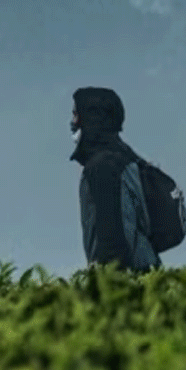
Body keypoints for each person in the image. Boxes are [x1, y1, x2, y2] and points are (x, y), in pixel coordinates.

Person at [70, 86, 160, 273]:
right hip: (145, 270)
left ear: (91, 118)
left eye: (76, 115)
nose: (73, 122)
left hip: (128, 280)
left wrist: (107, 286)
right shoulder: (125, 158)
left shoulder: (103, 166)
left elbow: (111, 236)